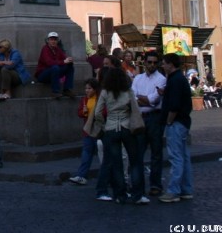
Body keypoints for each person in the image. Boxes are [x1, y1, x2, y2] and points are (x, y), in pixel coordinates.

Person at [93, 66, 147, 205]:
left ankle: (119, 194)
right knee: (134, 162)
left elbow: (98, 112)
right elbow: (135, 109)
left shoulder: (105, 92)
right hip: (127, 127)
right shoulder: (128, 91)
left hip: (111, 128)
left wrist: (104, 126)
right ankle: (137, 194)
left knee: (116, 163)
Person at [158, 52, 193, 203]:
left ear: (171, 64)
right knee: (183, 157)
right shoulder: (178, 79)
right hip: (183, 122)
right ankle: (186, 189)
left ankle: (173, 191)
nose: (162, 65)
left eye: (164, 63)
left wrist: (169, 121)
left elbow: (174, 105)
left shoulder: (175, 80)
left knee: (176, 157)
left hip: (176, 122)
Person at [132, 50, 166, 196]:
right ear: (144, 62)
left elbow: (154, 100)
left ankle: (155, 185)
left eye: (155, 62)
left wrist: (142, 98)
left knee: (156, 153)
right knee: (138, 152)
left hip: (155, 118)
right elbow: (132, 98)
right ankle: (138, 185)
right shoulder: (138, 78)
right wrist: (145, 99)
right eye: (149, 62)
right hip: (140, 117)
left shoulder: (161, 79)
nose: (152, 65)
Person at [69, 78, 100, 185]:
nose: (87, 91)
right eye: (86, 88)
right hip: (88, 129)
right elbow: (79, 112)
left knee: (103, 154)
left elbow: (104, 112)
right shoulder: (84, 100)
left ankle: (108, 176)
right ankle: (81, 175)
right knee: (86, 153)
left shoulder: (100, 99)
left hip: (99, 129)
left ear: (95, 89)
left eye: (89, 88)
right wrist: (84, 112)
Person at [35, 32, 75, 98]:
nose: (53, 41)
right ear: (48, 41)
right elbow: (49, 62)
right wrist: (64, 61)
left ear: (57, 41)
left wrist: (69, 60)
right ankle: (55, 91)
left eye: (55, 39)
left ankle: (67, 89)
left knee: (70, 66)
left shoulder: (58, 49)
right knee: (55, 67)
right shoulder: (45, 49)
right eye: (51, 39)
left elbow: (64, 59)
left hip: (54, 72)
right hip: (42, 75)